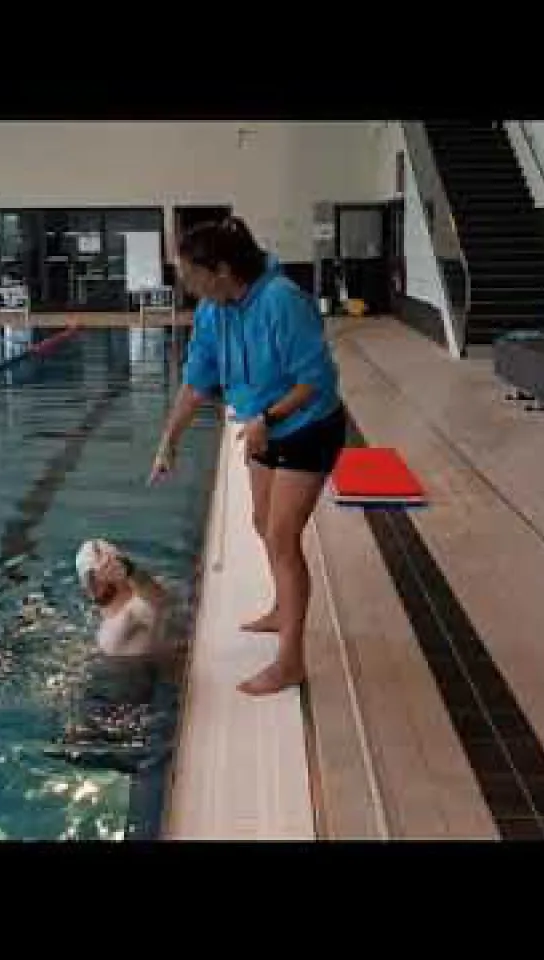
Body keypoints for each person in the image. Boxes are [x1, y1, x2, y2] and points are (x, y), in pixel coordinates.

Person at [148, 217, 345, 697]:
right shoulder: (214, 312)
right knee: (262, 521)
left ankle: (292, 661)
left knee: (281, 537)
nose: (185, 285)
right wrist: (168, 438)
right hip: (265, 429)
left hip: (308, 426)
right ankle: (283, 609)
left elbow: (314, 379)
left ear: (220, 269)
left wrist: (267, 421)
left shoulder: (281, 301)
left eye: (190, 275)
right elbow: (197, 380)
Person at [75, 538, 169, 660]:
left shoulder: (135, 609)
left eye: (94, 576)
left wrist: (129, 570)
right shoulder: (104, 615)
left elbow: (158, 600)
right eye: (87, 579)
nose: (92, 586)